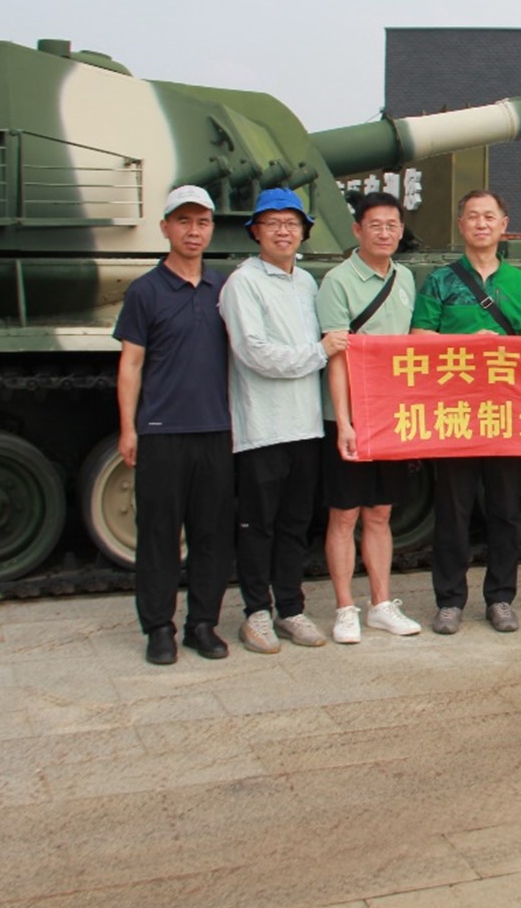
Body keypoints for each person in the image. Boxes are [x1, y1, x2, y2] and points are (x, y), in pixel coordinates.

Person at [410, 190, 521, 635]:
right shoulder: (440, 281)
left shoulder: (520, 283)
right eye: (473, 217)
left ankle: (501, 598)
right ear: (461, 224)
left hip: (506, 414)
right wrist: (467, 344)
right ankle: (449, 600)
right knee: (453, 511)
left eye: (490, 217)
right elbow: (418, 338)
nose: (481, 224)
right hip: (455, 413)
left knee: (506, 511)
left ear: (504, 225)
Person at [219, 188, 347, 654]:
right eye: (272, 223)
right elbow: (253, 352)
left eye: (291, 223)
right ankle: (256, 611)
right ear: (255, 231)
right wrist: (319, 352)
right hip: (262, 427)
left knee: (295, 523)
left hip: (305, 425)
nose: (283, 231)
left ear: (304, 233)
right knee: (258, 525)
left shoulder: (307, 283)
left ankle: (290, 607)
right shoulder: (243, 283)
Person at [113, 186, 234, 665]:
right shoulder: (145, 291)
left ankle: (202, 623)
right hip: (162, 430)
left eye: (202, 222)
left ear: (211, 229)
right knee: (159, 536)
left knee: (212, 535)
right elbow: (131, 364)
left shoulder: (224, 288)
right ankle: (158, 628)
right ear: (165, 227)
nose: (193, 231)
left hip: (216, 429)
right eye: (183, 221)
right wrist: (129, 428)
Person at [317, 192, 423, 643]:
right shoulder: (337, 281)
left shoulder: (405, 277)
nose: (385, 232)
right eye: (375, 225)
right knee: (344, 515)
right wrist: (343, 422)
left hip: (388, 414)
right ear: (357, 230)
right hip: (349, 413)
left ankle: (381, 604)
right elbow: (337, 356)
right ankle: (345, 608)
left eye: (392, 225)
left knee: (380, 512)